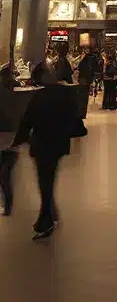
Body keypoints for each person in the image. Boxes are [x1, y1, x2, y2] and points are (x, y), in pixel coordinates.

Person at [12, 63, 81, 240]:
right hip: (57, 143)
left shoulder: (39, 96)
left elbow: (28, 120)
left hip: (42, 143)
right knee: (49, 178)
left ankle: (46, 220)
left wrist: (18, 140)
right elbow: (74, 116)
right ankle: (51, 213)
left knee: (45, 180)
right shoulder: (66, 93)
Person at [0, 64, 17, 215]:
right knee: (6, 173)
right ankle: (8, 203)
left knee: (4, 174)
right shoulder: (12, 95)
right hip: (11, 135)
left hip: (4, 135)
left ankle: (7, 203)